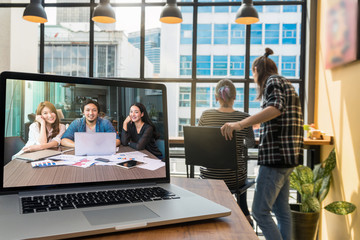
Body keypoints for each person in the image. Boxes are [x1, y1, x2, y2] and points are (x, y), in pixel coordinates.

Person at [220, 48, 303, 240]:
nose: (253, 76)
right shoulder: (286, 83)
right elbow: (280, 114)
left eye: (253, 72)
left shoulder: (272, 81)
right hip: (288, 156)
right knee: (281, 210)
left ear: (257, 69)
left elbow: (276, 107)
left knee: (259, 212)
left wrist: (240, 124)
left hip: (276, 156)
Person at [198, 79, 255, 226]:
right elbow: (250, 144)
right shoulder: (244, 118)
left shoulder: (206, 115)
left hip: (209, 178)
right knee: (239, 169)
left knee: (234, 169)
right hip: (234, 179)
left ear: (216, 98)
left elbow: (200, 143)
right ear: (234, 97)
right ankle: (245, 214)